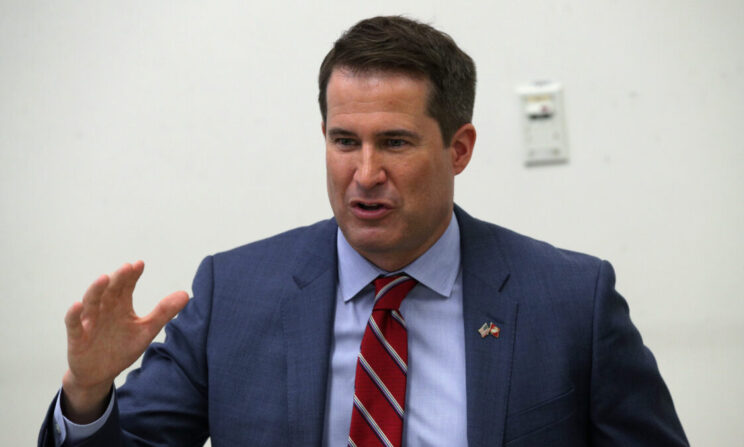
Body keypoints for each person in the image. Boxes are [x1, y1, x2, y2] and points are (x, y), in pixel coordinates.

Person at [39, 15, 688, 446]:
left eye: (395, 142)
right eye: (344, 140)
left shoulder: (570, 298)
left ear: (458, 148)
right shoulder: (234, 291)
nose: (365, 172)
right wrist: (89, 394)